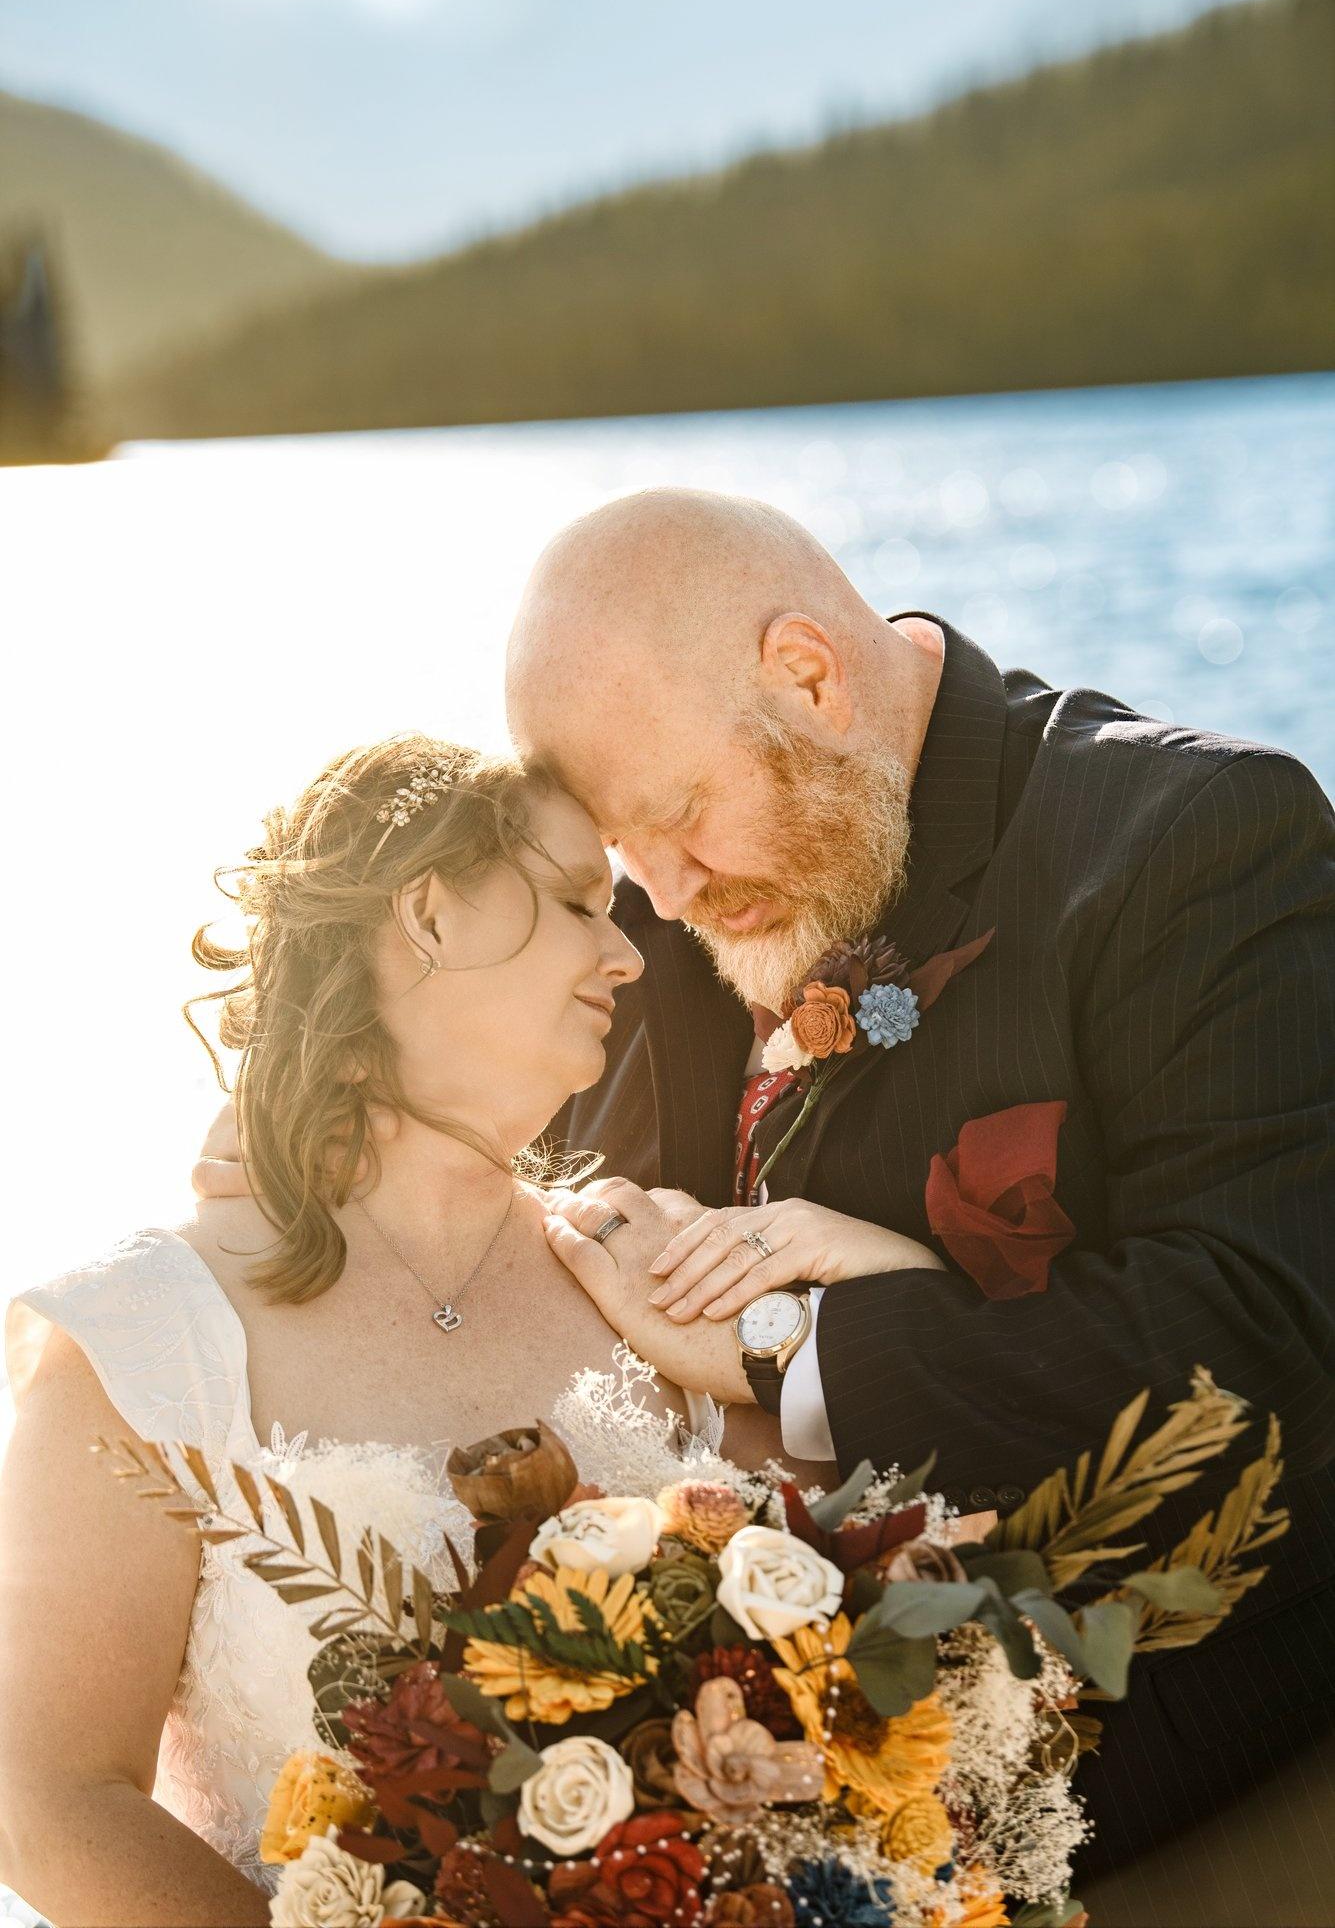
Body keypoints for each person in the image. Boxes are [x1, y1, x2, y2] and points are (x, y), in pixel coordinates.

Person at [507, 487, 1335, 1880]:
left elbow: (1262, 1337)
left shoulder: (1192, 838)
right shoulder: (666, 902)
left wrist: (787, 1347)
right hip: (714, 1709)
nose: (659, 894)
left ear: (810, 678)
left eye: (679, 817)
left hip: (1104, 1706)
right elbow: (560, 1176)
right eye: (618, 850)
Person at [0, 735, 840, 1920]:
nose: (626, 953)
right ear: (430, 913)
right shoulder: (147, 1338)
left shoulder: (647, 1272)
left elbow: (835, 1639)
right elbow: (54, 1804)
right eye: (574, 902)